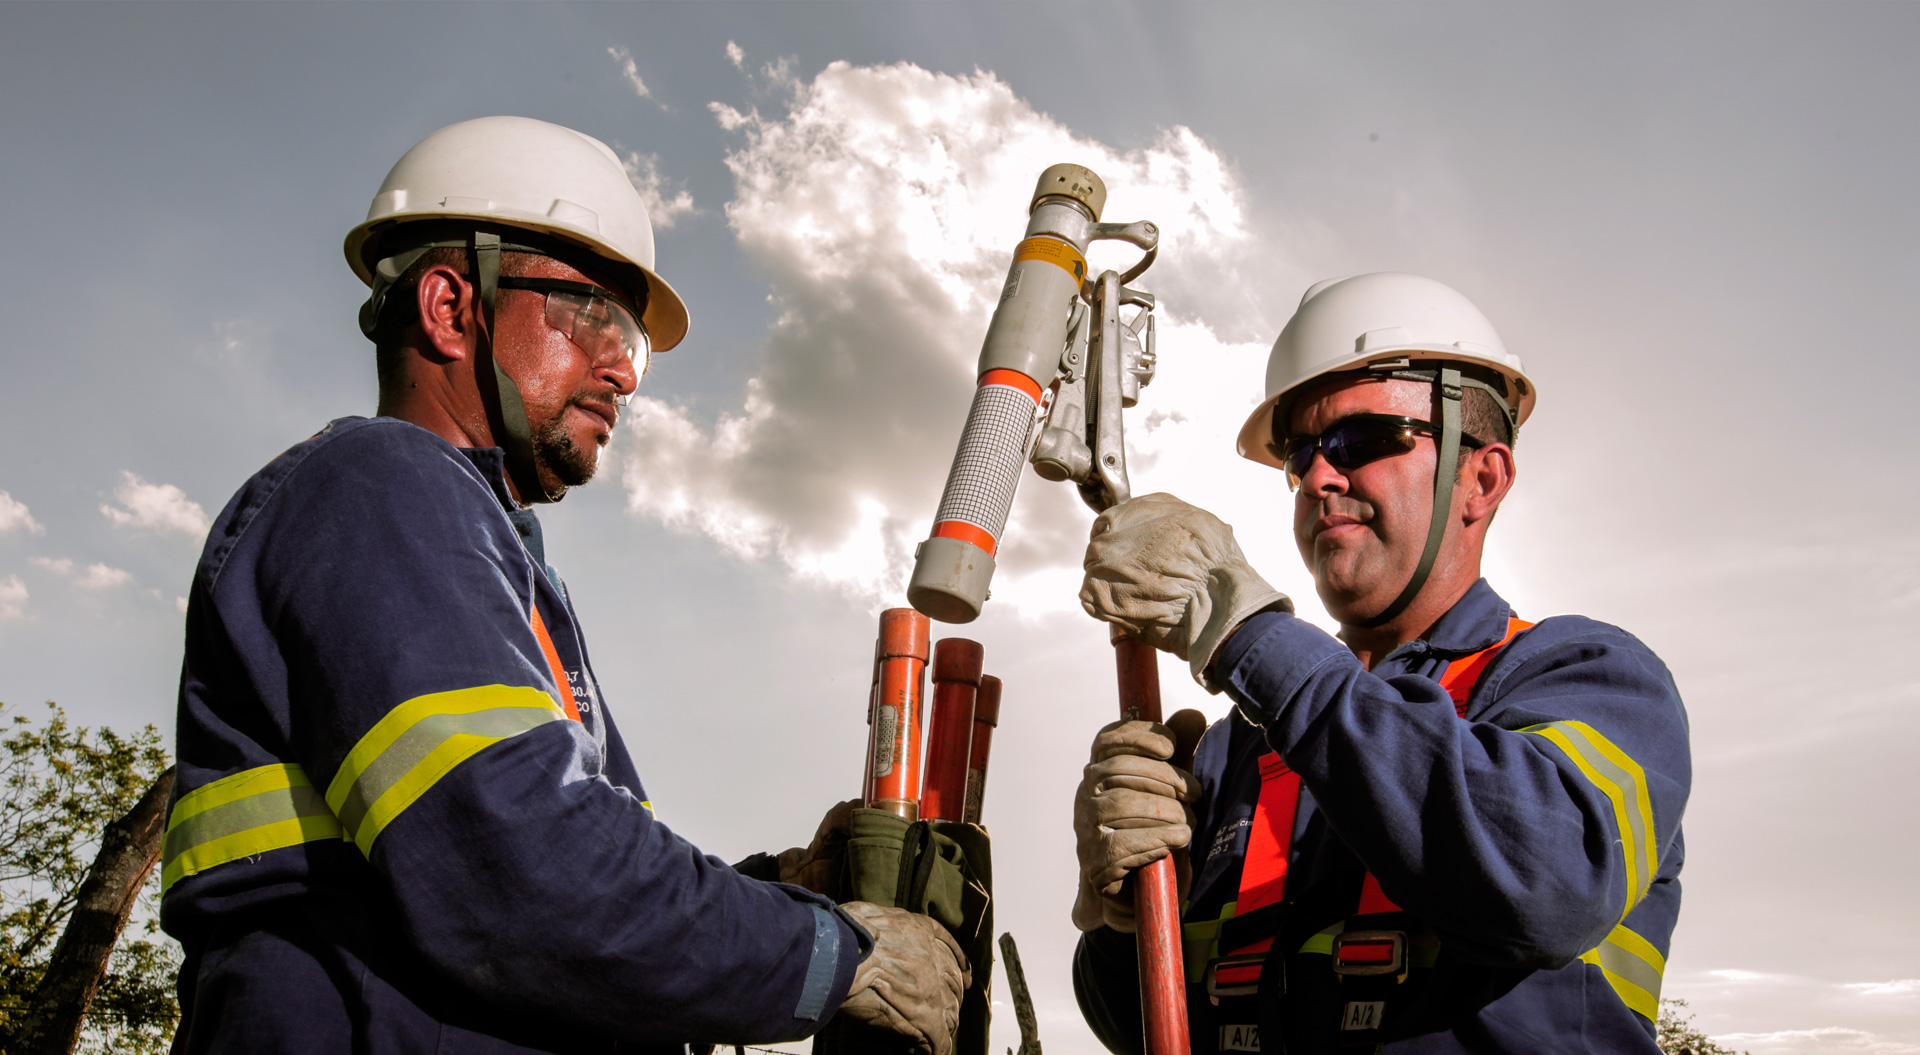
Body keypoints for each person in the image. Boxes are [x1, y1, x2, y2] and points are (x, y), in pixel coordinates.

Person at [159, 116, 965, 1055]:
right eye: (593, 317)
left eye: (633, 343)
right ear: (451, 307)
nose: (623, 369)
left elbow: (570, 853)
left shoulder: (494, 552)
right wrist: (832, 954)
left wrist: (779, 887)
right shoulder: (381, 484)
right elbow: (516, 865)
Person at [1069, 273, 1689, 1053]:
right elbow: (1148, 1026)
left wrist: (1244, 630)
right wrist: (1122, 917)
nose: (1321, 477)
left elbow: (1543, 883)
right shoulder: (1236, 749)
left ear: (1481, 477)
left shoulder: (1593, 677)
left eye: (1362, 441)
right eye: (1302, 456)